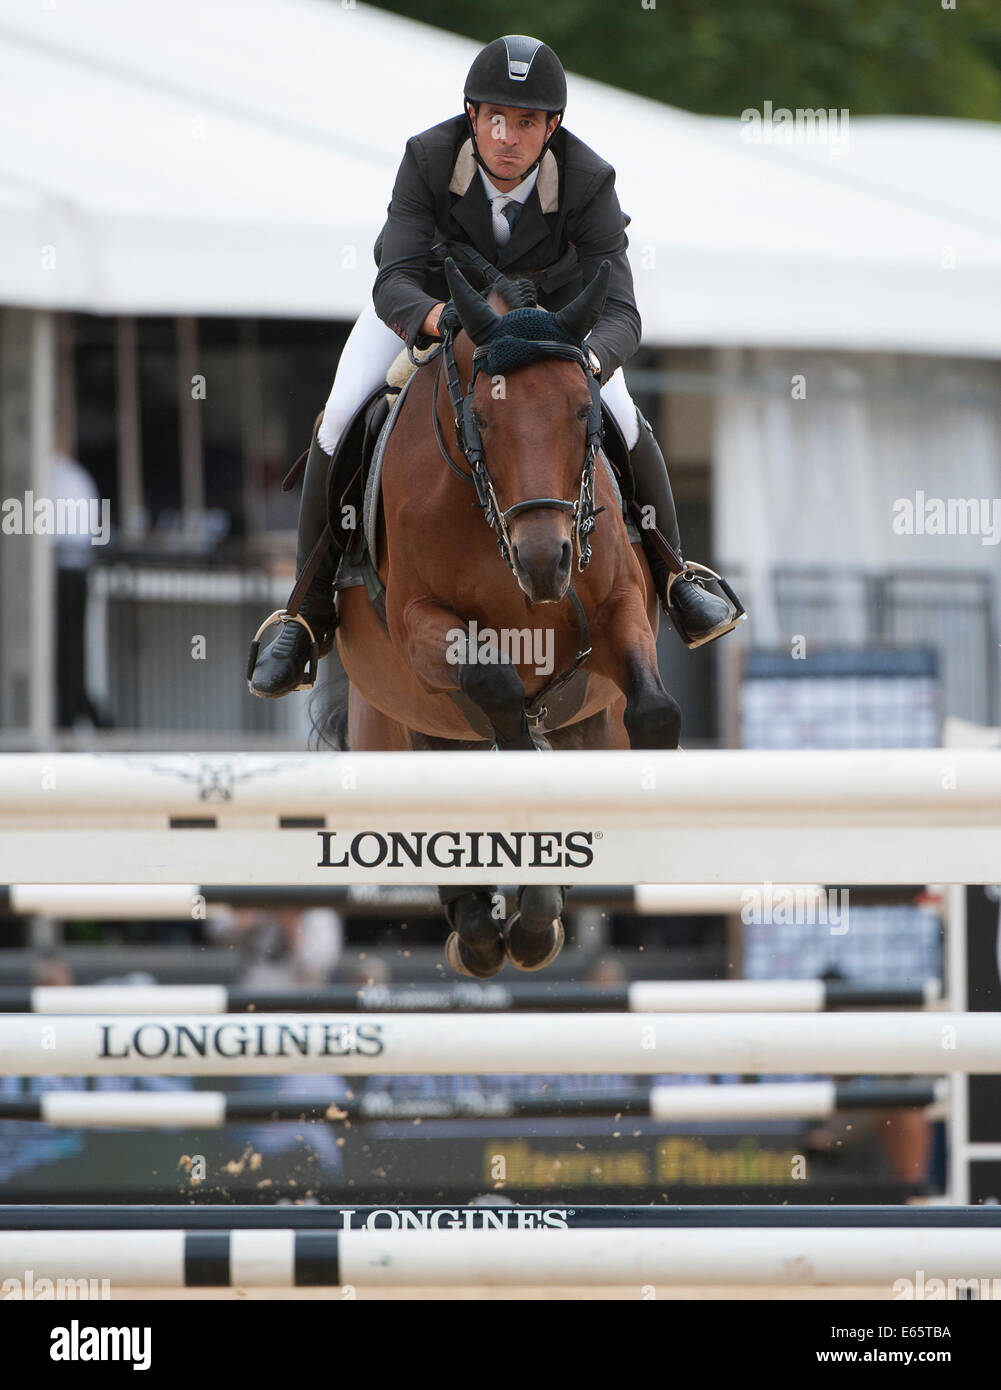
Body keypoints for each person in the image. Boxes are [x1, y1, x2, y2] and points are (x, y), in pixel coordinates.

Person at [250, 34, 740, 698]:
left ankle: (677, 576)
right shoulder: (427, 157)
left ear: (551, 127)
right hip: (431, 312)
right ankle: (305, 616)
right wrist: (436, 321)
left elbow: (621, 310)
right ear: (473, 116)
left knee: (625, 421)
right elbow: (392, 276)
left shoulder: (589, 180)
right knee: (338, 419)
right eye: (496, 119)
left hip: (554, 333)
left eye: (528, 122)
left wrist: (586, 362)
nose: (509, 137)